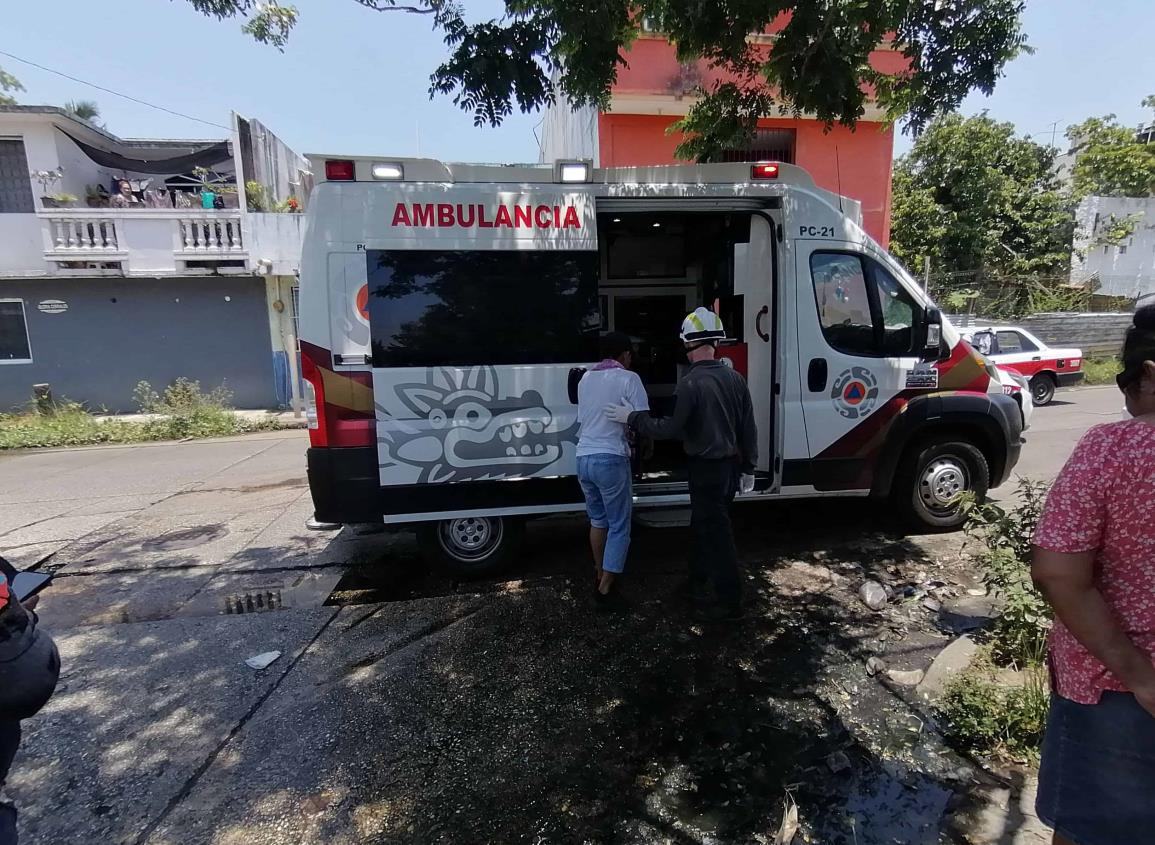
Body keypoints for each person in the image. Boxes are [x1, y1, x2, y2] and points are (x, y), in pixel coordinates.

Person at [1030, 304, 1155, 845]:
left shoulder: (1113, 449)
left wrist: (1141, 676)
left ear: (1149, 374)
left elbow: (1057, 572)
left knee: (1091, 832)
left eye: (1128, 385)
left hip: (1117, 688)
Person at [607, 307, 757, 622]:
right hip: (729, 469)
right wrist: (749, 469)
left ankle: (730, 601)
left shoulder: (690, 384)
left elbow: (671, 430)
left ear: (689, 344)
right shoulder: (736, 379)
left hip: (705, 470)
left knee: (717, 535)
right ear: (715, 343)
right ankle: (696, 582)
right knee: (703, 527)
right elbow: (748, 428)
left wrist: (633, 418)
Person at [577, 332, 649, 609]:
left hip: (583, 457)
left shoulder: (585, 379)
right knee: (620, 525)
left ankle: (599, 573)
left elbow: (583, 418)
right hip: (610, 458)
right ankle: (606, 590)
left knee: (598, 520)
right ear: (625, 355)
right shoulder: (629, 379)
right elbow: (642, 420)